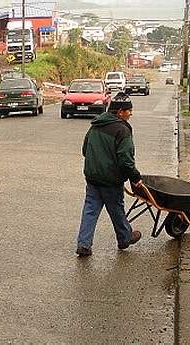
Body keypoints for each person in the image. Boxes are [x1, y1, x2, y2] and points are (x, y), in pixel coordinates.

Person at [76, 92, 143, 257]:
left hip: (92, 177)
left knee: (90, 210)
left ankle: (84, 244)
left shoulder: (96, 124)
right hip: (110, 180)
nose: (131, 113)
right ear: (120, 112)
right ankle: (125, 238)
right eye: (129, 110)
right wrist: (135, 177)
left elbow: (85, 150)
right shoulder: (122, 130)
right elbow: (126, 161)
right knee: (116, 209)